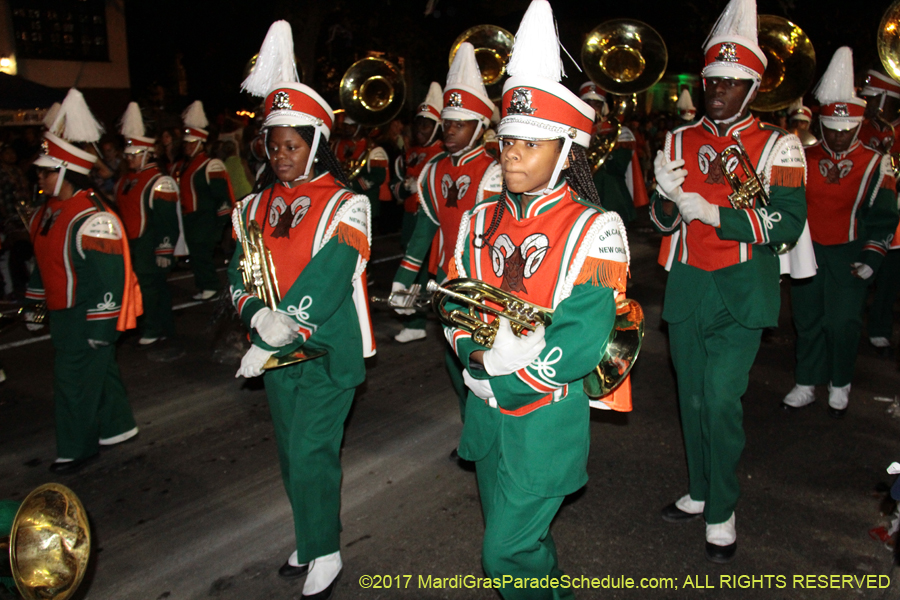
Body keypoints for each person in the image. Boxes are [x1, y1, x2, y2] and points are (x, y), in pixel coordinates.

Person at [442, 2, 629, 596]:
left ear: (567, 150)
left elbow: (581, 338)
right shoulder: (475, 221)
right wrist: (473, 358)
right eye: (508, 141)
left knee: (503, 550)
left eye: (532, 143)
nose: (513, 154)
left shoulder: (594, 228)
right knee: (524, 547)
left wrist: (505, 377)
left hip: (543, 417)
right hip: (485, 407)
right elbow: (453, 301)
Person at [649, 0, 807, 563]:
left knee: (720, 399)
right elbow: (661, 223)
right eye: (713, 79)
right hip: (689, 285)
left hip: (744, 288)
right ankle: (698, 490)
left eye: (732, 82)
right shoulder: (675, 141)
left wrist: (717, 214)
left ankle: (723, 508)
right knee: (690, 398)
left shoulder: (779, 145)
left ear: (752, 87)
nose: (718, 89)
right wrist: (666, 201)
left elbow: (787, 223)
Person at [231, 20, 375, 600]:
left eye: (292, 145)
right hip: (273, 351)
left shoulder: (349, 203)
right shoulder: (250, 207)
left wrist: (277, 330)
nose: (281, 155)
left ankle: (327, 550)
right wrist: (254, 317)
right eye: (273, 144)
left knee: (313, 452)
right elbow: (238, 275)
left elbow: (332, 273)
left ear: (315, 144)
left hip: (325, 348)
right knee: (292, 454)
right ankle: (310, 534)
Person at [24, 89, 142, 473]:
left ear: (64, 173)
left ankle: (76, 448)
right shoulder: (48, 212)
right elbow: (41, 263)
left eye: (45, 171)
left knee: (72, 382)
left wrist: (102, 325)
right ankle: (118, 426)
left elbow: (111, 277)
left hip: (85, 314)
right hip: (63, 314)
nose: (39, 177)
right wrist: (34, 304)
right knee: (99, 371)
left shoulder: (94, 218)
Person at [781, 48, 898, 416]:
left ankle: (840, 382)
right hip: (810, 250)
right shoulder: (802, 157)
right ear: (821, 126)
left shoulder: (877, 163)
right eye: (832, 130)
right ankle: (806, 381)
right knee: (808, 317)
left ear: (859, 125)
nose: (840, 138)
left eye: (848, 131)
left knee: (844, 321)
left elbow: (884, 215)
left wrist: (872, 255)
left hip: (850, 250)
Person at [391, 41, 501, 421]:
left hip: (482, 286)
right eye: (448, 123)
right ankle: (472, 431)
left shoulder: (494, 170)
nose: (450, 131)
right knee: (455, 366)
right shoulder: (434, 169)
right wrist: (403, 282)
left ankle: (484, 436)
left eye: (460, 124)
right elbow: (424, 230)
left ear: (480, 127)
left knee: (481, 365)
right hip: (444, 282)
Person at [115, 102, 181, 345]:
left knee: (150, 290)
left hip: (149, 243)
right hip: (132, 245)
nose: (131, 159)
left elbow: (167, 220)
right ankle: (162, 326)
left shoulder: (159, 181)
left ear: (146, 154)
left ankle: (153, 328)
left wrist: (165, 248)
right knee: (148, 289)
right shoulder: (124, 181)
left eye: (135, 155)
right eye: (128, 156)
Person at [389, 82, 444, 343]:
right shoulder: (411, 153)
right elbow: (395, 191)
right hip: (410, 219)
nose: (421, 130)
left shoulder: (442, 155)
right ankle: (412, 319)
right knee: (411, 270)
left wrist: (416, 185)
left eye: (427, 125)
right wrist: (405, 186)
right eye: (419, 124)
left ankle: (417, 320)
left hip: (430, 223)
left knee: (423, 275)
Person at [171, 101, 235, 300]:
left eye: (192, 143)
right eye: (187, 143)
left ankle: (211, 285)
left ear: (200, 143)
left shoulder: (211, 165)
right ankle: (203, 284)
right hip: (189, 219)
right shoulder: (182, 166)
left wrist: (217, 227)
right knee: (195, 256)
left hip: (205, 219)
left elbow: (222, 199)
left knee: (202, 255)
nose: (188, 147)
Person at [860, 69, 900, 351]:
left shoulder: (891, 129)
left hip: (894, 209)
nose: (868, 103)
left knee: (890, 273)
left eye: (873, 98)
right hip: (866, 207)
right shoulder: (862, 126)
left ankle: (880, 325)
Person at [580, 81, 649, 225]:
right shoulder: (574, 131)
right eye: (588, 103)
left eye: (596, 104)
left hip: (612, 197)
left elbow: (618, 167)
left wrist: (601, 150)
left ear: (604, 107)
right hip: (582, 199)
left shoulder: (618, 132)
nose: (592, 108)